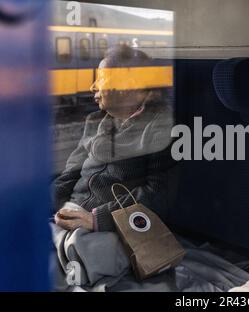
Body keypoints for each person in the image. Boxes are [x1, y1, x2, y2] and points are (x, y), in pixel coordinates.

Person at [53, 45, 174, 232]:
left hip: (113, 227)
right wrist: (54, 205)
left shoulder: (160, 126)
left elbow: (157, 195)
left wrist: (96, 220)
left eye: (101, 78)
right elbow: (69, 174)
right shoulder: (94, 120)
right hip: (72, 215)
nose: (92, 86)